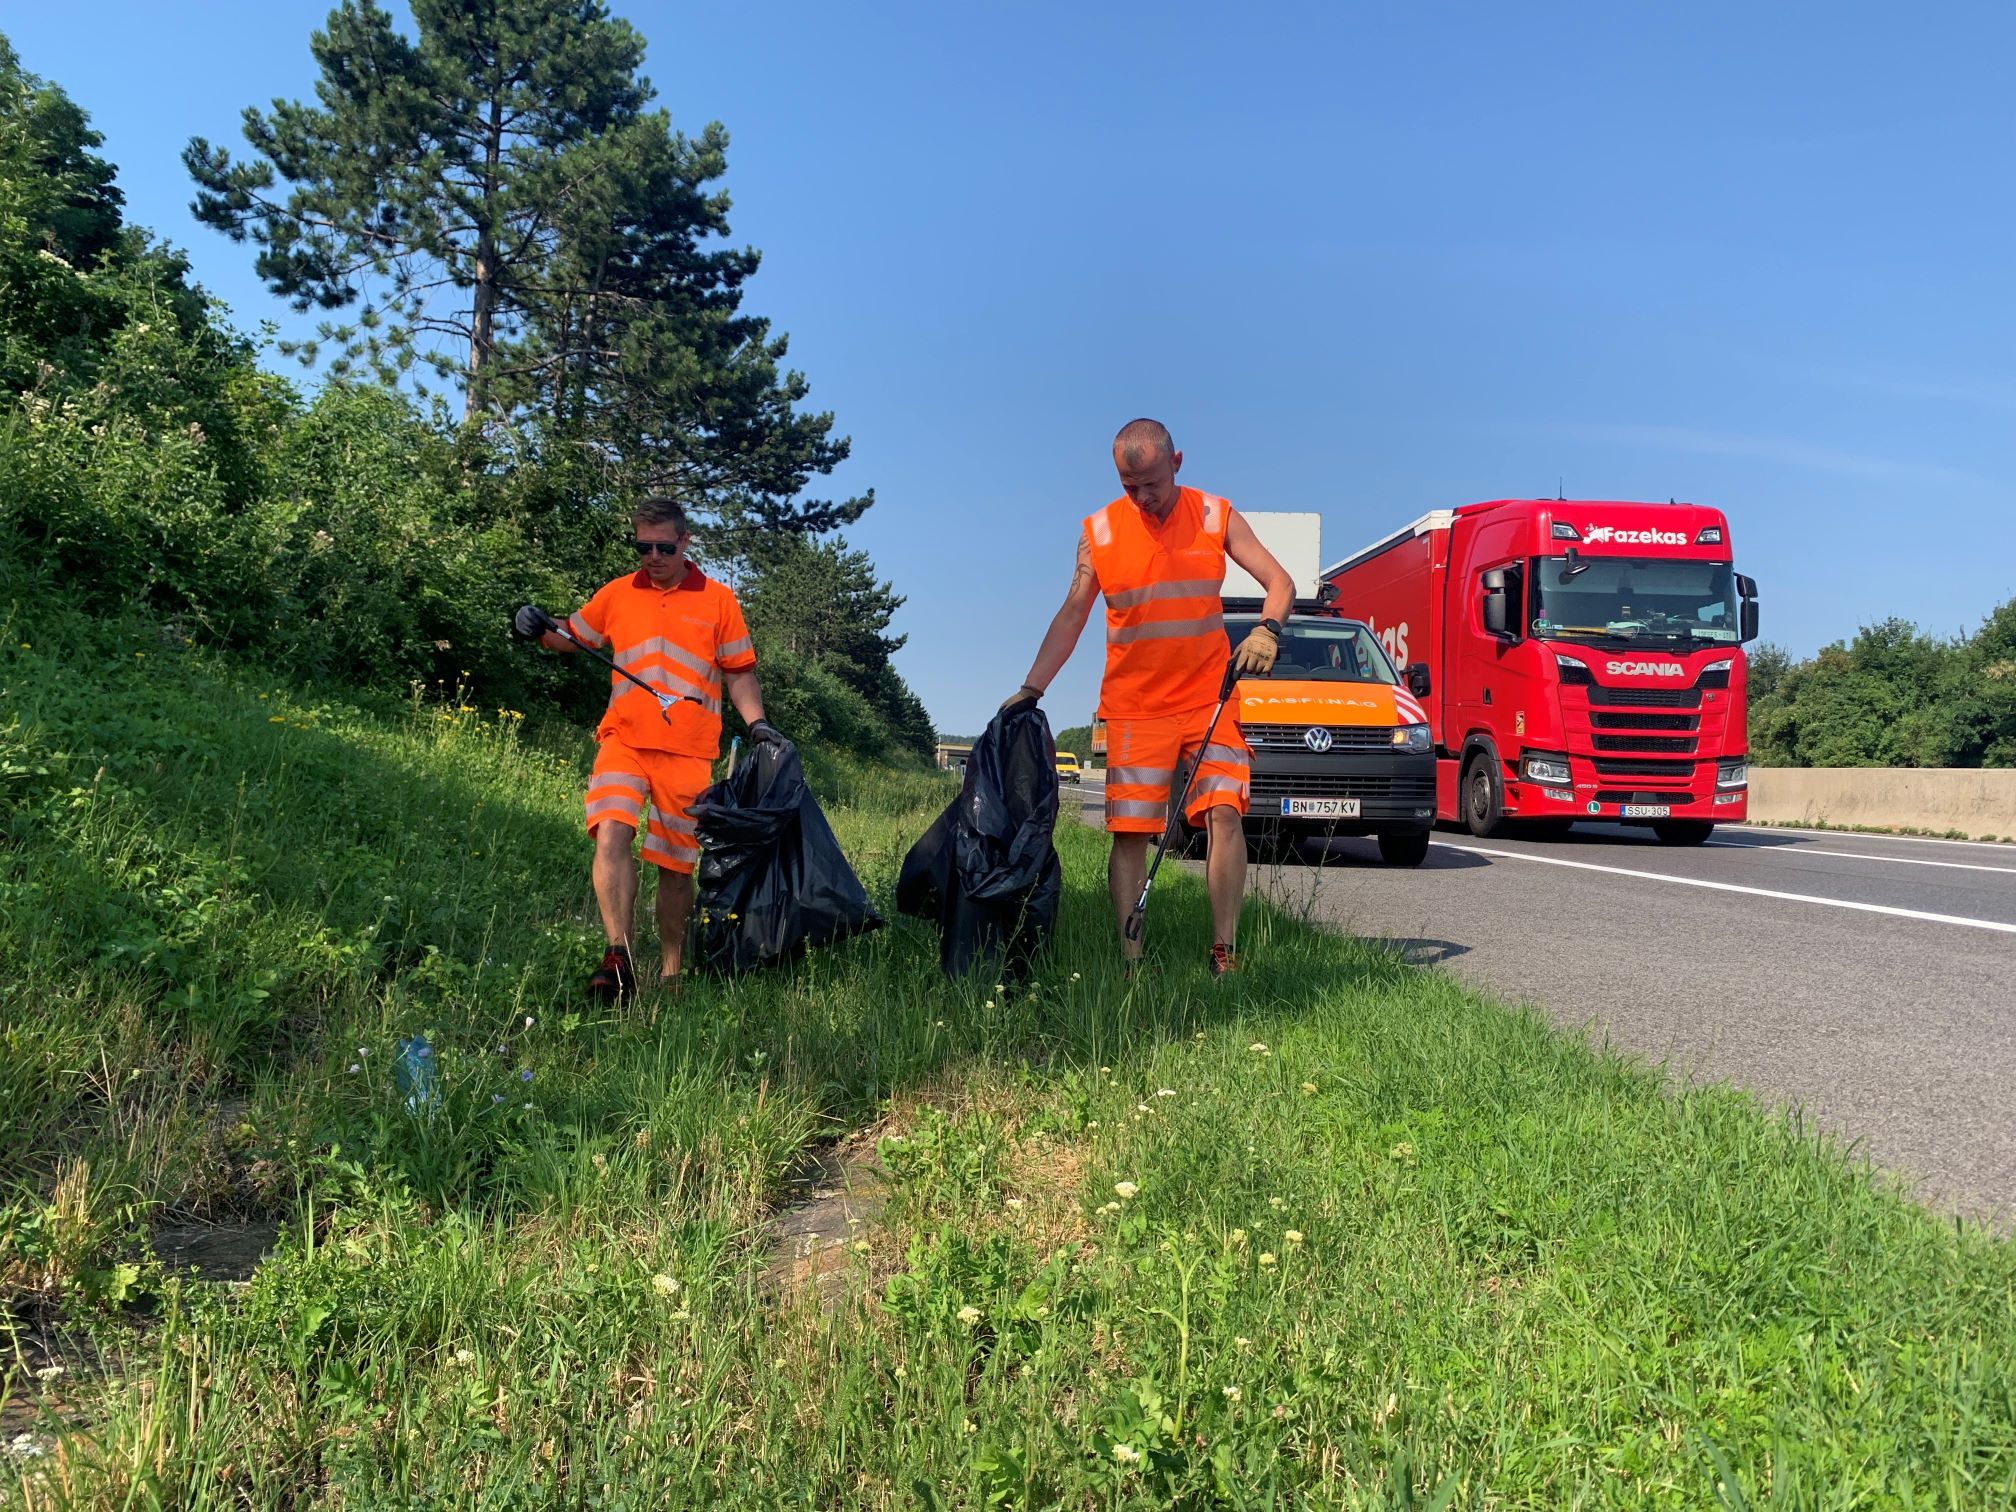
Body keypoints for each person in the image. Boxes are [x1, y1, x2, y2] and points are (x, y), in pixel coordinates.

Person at [1006, 419, 1293, 975]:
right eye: (1127, 485)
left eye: (1151, 483)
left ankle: (1224, 952)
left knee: (1225, 813)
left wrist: (1268, 630)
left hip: (1211, 698)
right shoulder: (1101, 533)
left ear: (1177, 462)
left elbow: (1279, 581)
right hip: (1136, 707)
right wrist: (1030, 688)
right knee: (1132, 834)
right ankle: (1132, 962)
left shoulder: (1216, 515)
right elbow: (1072, 615)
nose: (1140, 497)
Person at [514, 497, 781, 999]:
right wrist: (536, 627)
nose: (652, 556)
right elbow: (571, 636)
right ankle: (619, 958)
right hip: (624, 739)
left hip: (689, 752)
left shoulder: (718, 600)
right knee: (611, 831)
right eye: (643, 546)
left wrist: (759, 725)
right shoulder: (618, 594)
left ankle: (671, 971)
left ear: (684, 542)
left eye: (663, 546)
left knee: (675, 867)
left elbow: (739, 672)